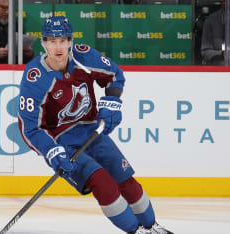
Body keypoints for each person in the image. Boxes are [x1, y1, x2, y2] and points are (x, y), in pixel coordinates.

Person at [18, 16, 174, 234]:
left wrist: (111, 103)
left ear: (71, 41)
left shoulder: (84, 56)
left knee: (125, 179)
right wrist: (51, 152)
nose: (58, 47)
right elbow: (30, 128)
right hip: (64, 144)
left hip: (92, 131)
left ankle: (152, 225)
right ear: (43, 43)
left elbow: (115, 76)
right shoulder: (35, 77)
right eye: (52, 41)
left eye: (63, 40)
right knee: (103, 183)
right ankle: (136, 232)